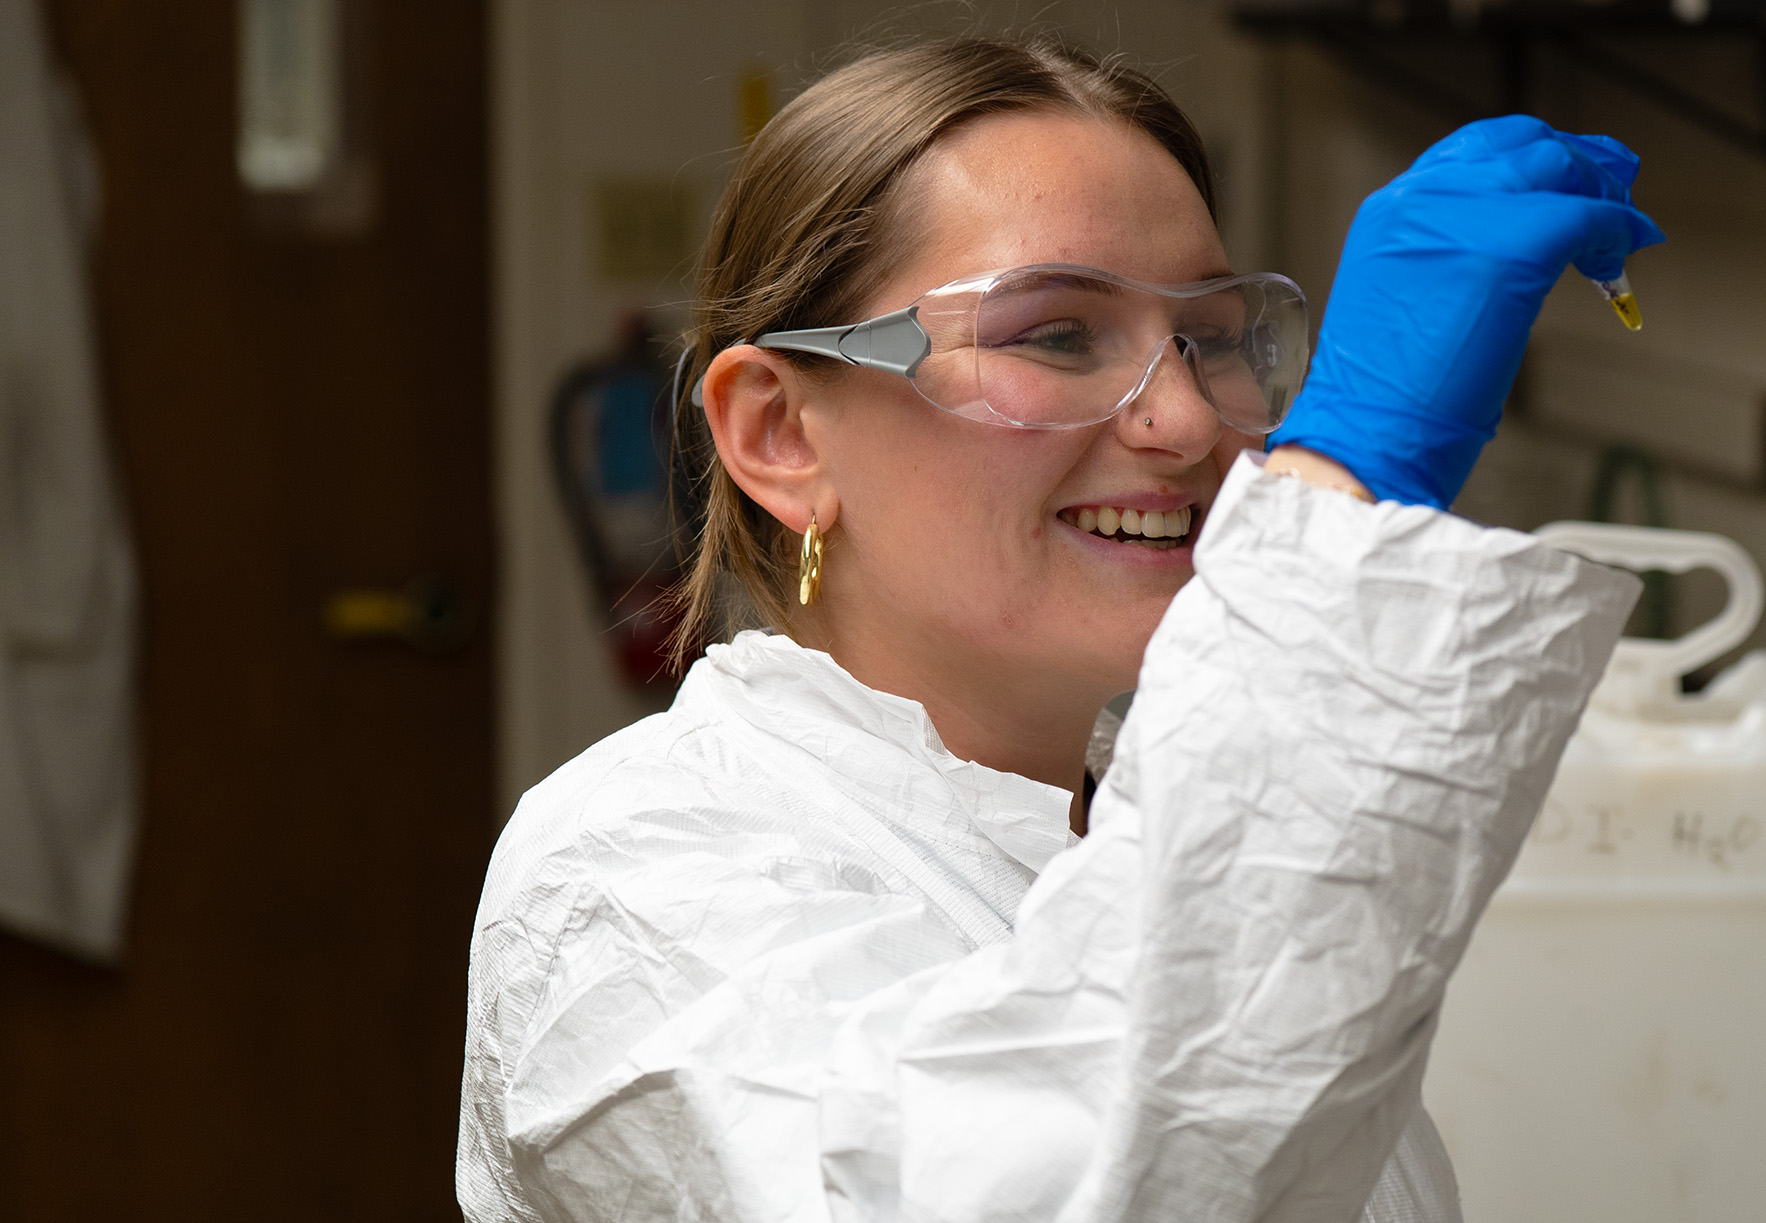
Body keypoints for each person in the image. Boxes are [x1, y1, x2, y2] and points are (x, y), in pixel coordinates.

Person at [458, 34, 1659, 1223]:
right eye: (1055, 334)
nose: (1187, 419)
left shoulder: (1144, 819)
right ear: (784, 434)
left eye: (1217, 336)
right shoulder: (632, 878)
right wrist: (1346, 481)